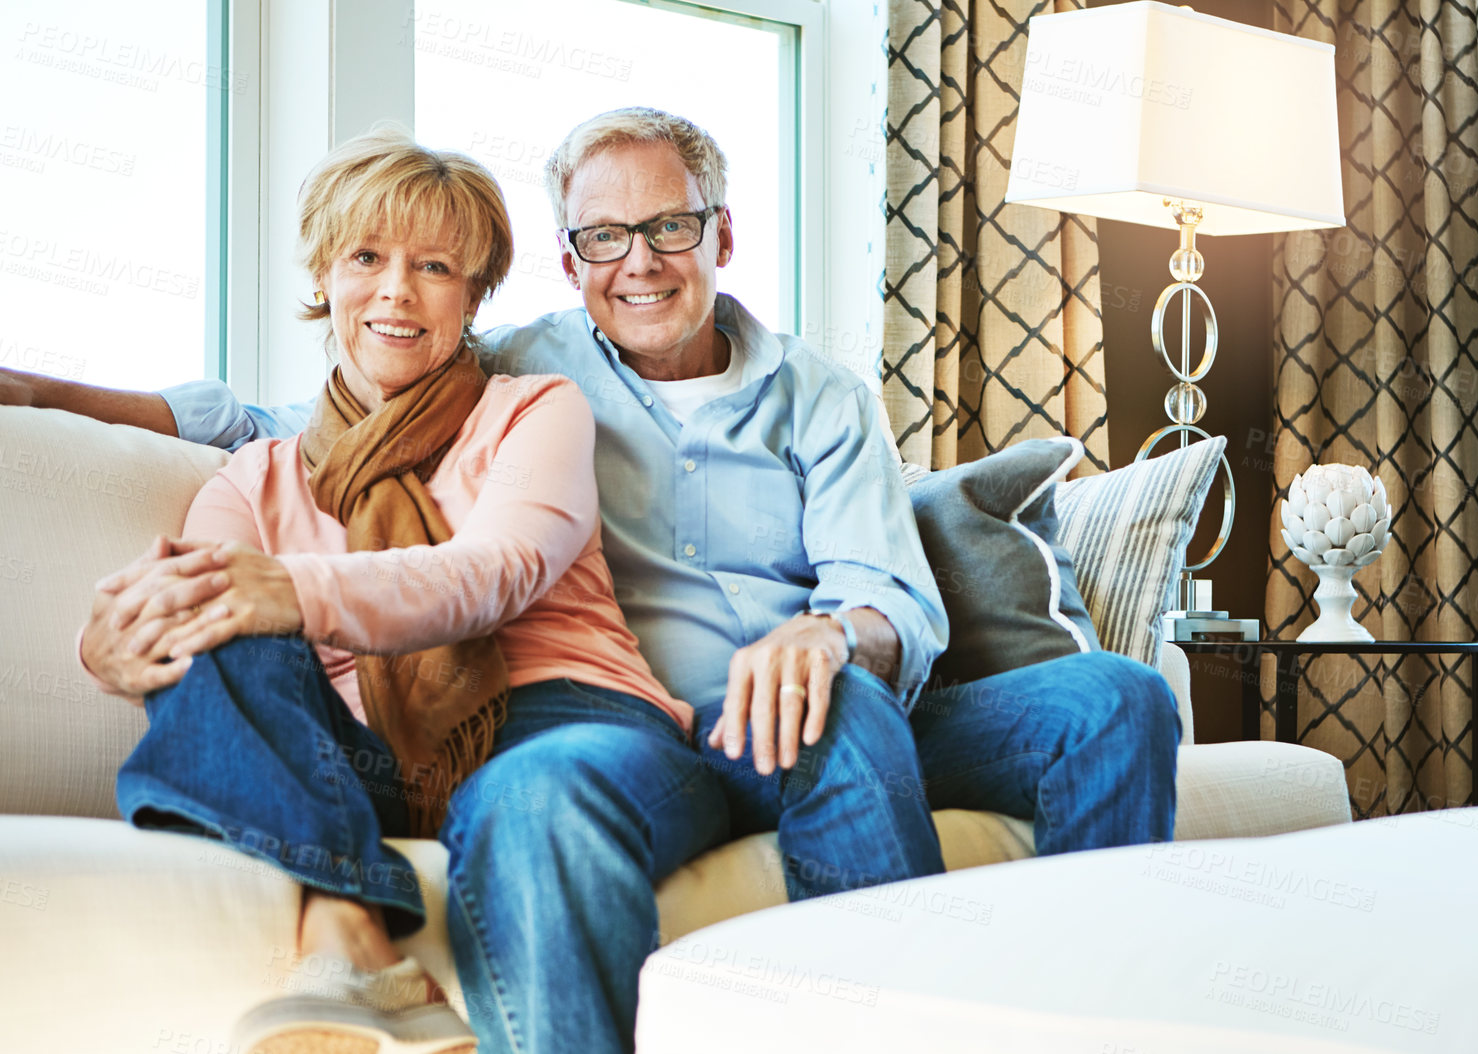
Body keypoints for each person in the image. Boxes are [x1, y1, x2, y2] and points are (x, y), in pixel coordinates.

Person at [26, 107, 1182, 1041]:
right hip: (645, 727)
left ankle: (1087, 1014)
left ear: (721, 237)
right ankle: (347, 923)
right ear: (569, 257)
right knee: (257, 635)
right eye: (603, 238)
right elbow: (330, 415)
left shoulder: (800, 396)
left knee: (1111, 698)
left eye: (670, 229)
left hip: (796, 698)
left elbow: (885, 590)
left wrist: (837, 634)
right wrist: (60, 400)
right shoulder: (519, 366)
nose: (638, 263)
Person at [75, 128, 713, 1053]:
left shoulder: (534, 410)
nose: (396, 291)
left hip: (574, 728)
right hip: (370, 772)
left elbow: (493, 573)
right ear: (325, 276)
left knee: (532, 794)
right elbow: (199, 627)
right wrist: (117, 645)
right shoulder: (250, 479)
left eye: (436, 266)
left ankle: (339, 921)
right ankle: (352, 934)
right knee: (220, 621)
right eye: (366, 257)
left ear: (475, 294)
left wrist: (285, 588)